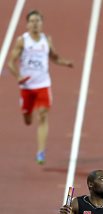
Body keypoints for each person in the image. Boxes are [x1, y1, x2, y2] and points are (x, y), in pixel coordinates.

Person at [8, 9, 73, 164]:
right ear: (27, 24)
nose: (35, 24)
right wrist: (18, 77)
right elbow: (11, 62)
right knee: (28, 119)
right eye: (32, 21)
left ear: (42, 23)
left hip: (43, 84)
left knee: (43, 115)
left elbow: (53, 57)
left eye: (38, 21)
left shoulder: (46, 40)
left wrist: (64, 62)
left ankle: (40, 152)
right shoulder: (22, 41)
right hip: (27, 87)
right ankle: (27, 113)